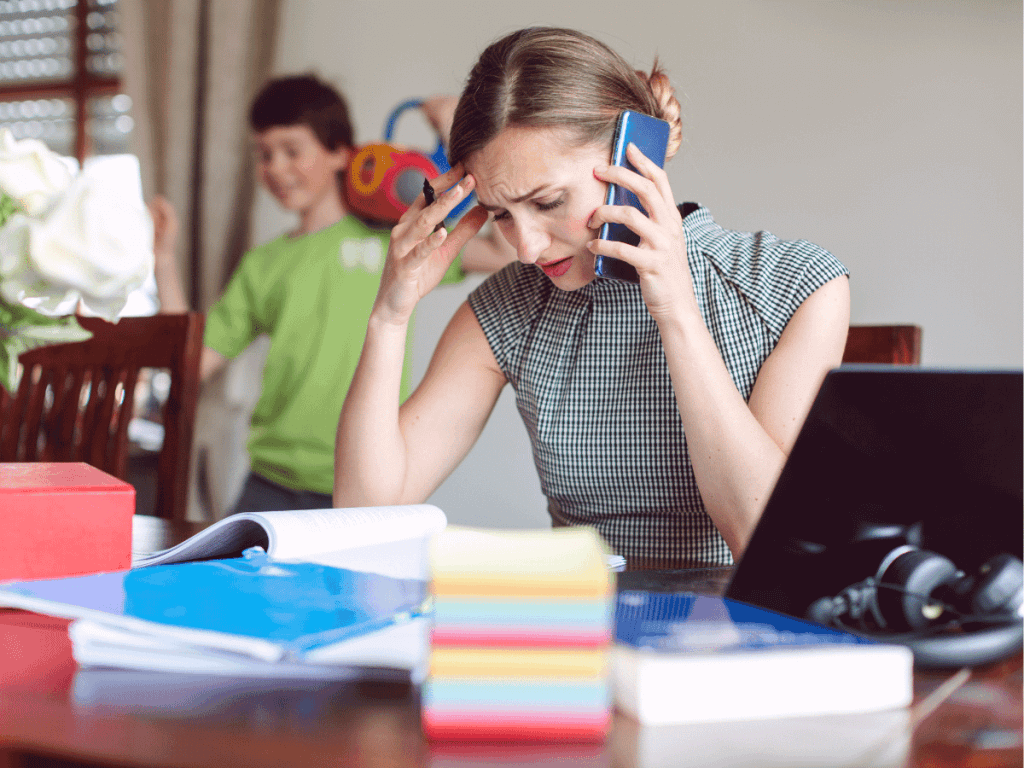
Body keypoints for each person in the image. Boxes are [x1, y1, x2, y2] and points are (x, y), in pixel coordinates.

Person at [334, 28, 850, 566]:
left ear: (636, 156)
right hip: (579, 630)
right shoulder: (508, 307)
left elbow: (761, 539)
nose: (528, 249)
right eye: (503, 214)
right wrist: (390, 316)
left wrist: (675, 310)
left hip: (737, 630)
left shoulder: (796, 284)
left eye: (550, 201)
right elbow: (365, 508)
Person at [154, 74, 512, 514]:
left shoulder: (397, 240)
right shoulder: (262, 265)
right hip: (269, 484)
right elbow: (190, 362)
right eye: (264, 154)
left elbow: (499, 251)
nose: (276, 168)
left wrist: (457, 132)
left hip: (364, 484)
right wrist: (164, 260)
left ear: (342, 154)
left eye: (291, 150)